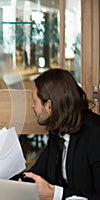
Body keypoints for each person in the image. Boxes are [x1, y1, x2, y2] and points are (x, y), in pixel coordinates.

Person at [21, 68, 100, 200]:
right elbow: (38, 172)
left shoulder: (96, 136)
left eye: (35, 101)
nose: (32, 106)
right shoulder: (58, 130)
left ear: (49, 106)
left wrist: (55, 194)